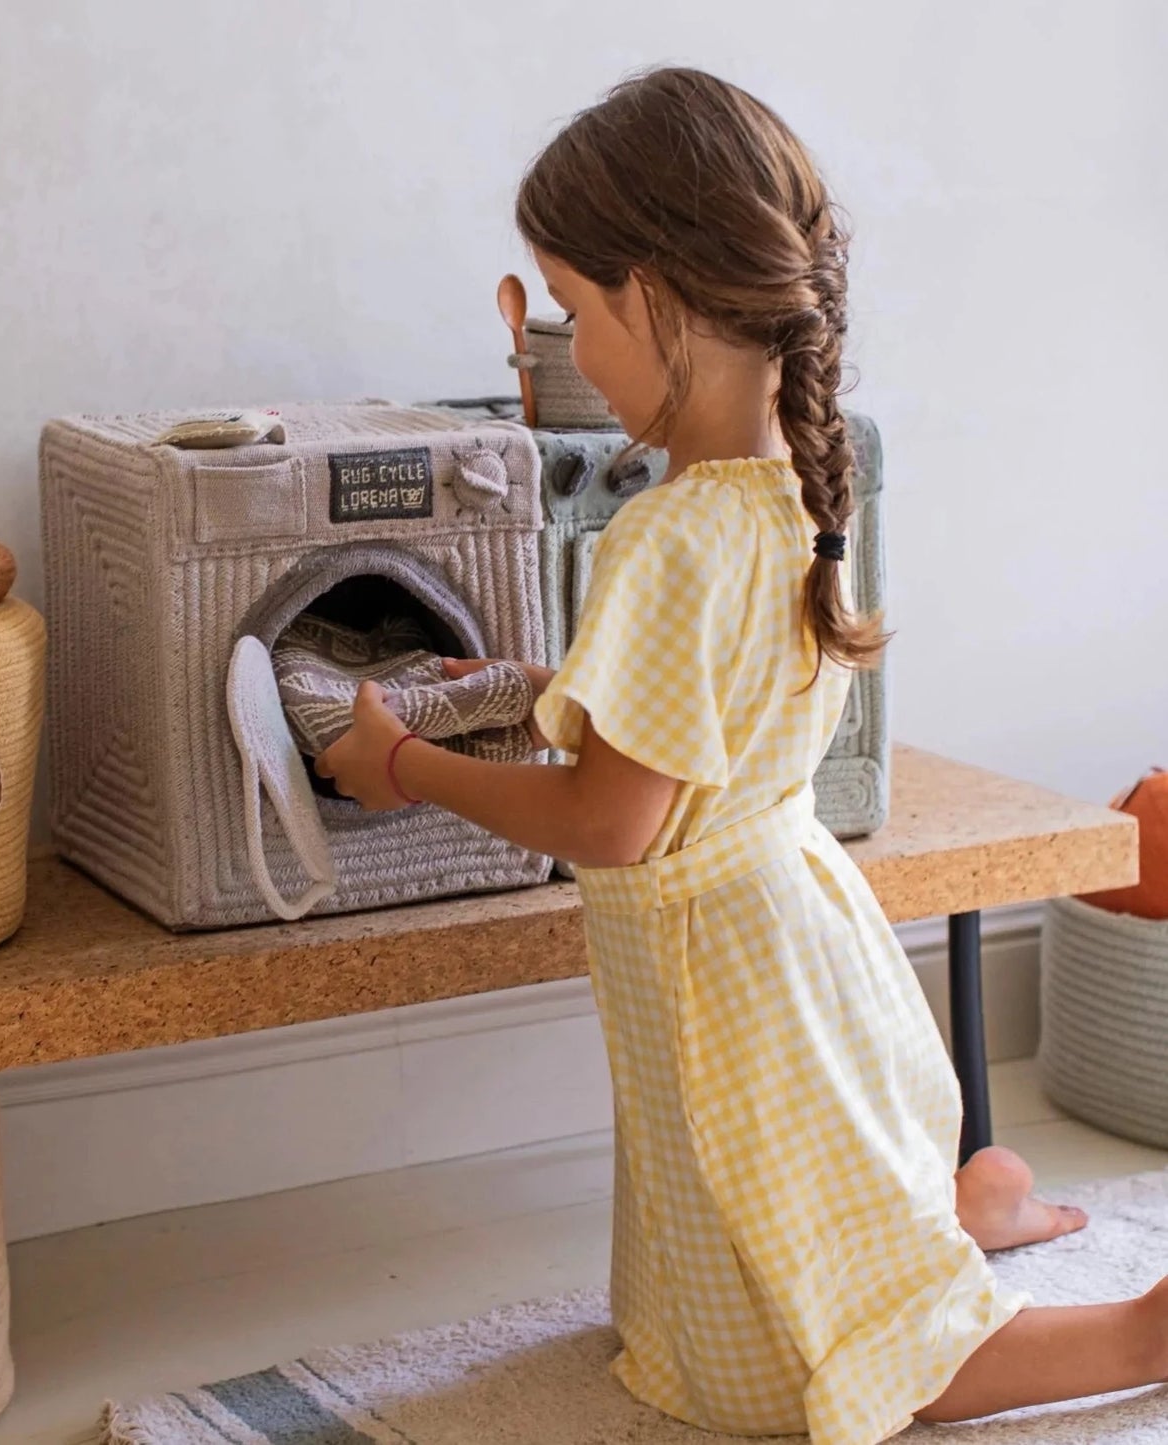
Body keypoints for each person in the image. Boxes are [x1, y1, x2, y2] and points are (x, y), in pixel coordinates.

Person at [316, 67, 1166, 1443]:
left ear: (659, 295)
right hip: (788, 924)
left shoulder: (664, 537)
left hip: (733, 976)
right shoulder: (785, 490)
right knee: (792, 1217)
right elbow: (696, 721)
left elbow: (611, 819)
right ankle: (974, 1198)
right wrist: (531, 686)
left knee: (820, 1365)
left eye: (578, 311)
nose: (569, 350)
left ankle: (1138, 1327)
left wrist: (404, 767)